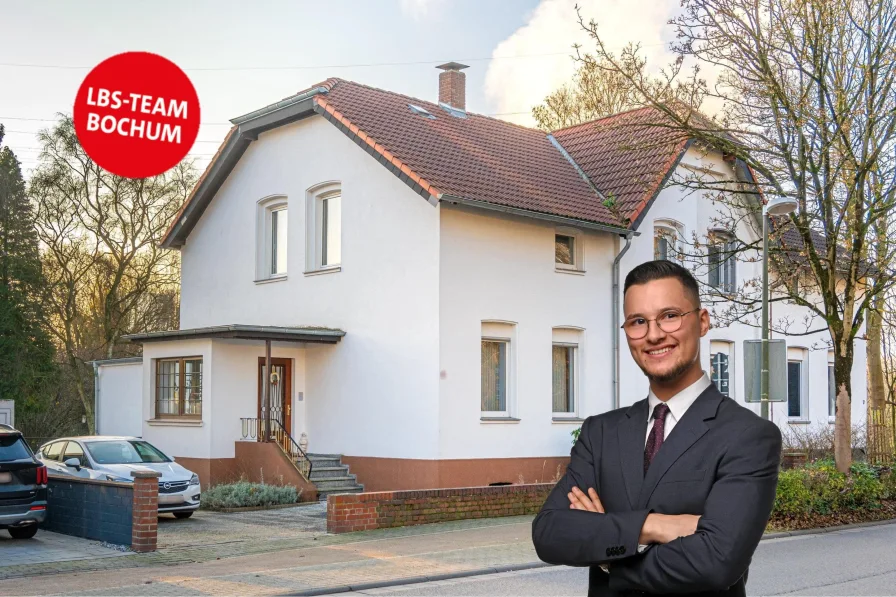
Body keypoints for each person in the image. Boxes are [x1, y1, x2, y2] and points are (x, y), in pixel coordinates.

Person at [532, 260, 782, 596]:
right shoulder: (601, 433)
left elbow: (717, 562)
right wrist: (655, 526)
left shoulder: (747, 436)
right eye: (638, 321)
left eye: (669, 315)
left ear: (703, 321)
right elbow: (549, 533)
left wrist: (608, 552)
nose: (653, 334)